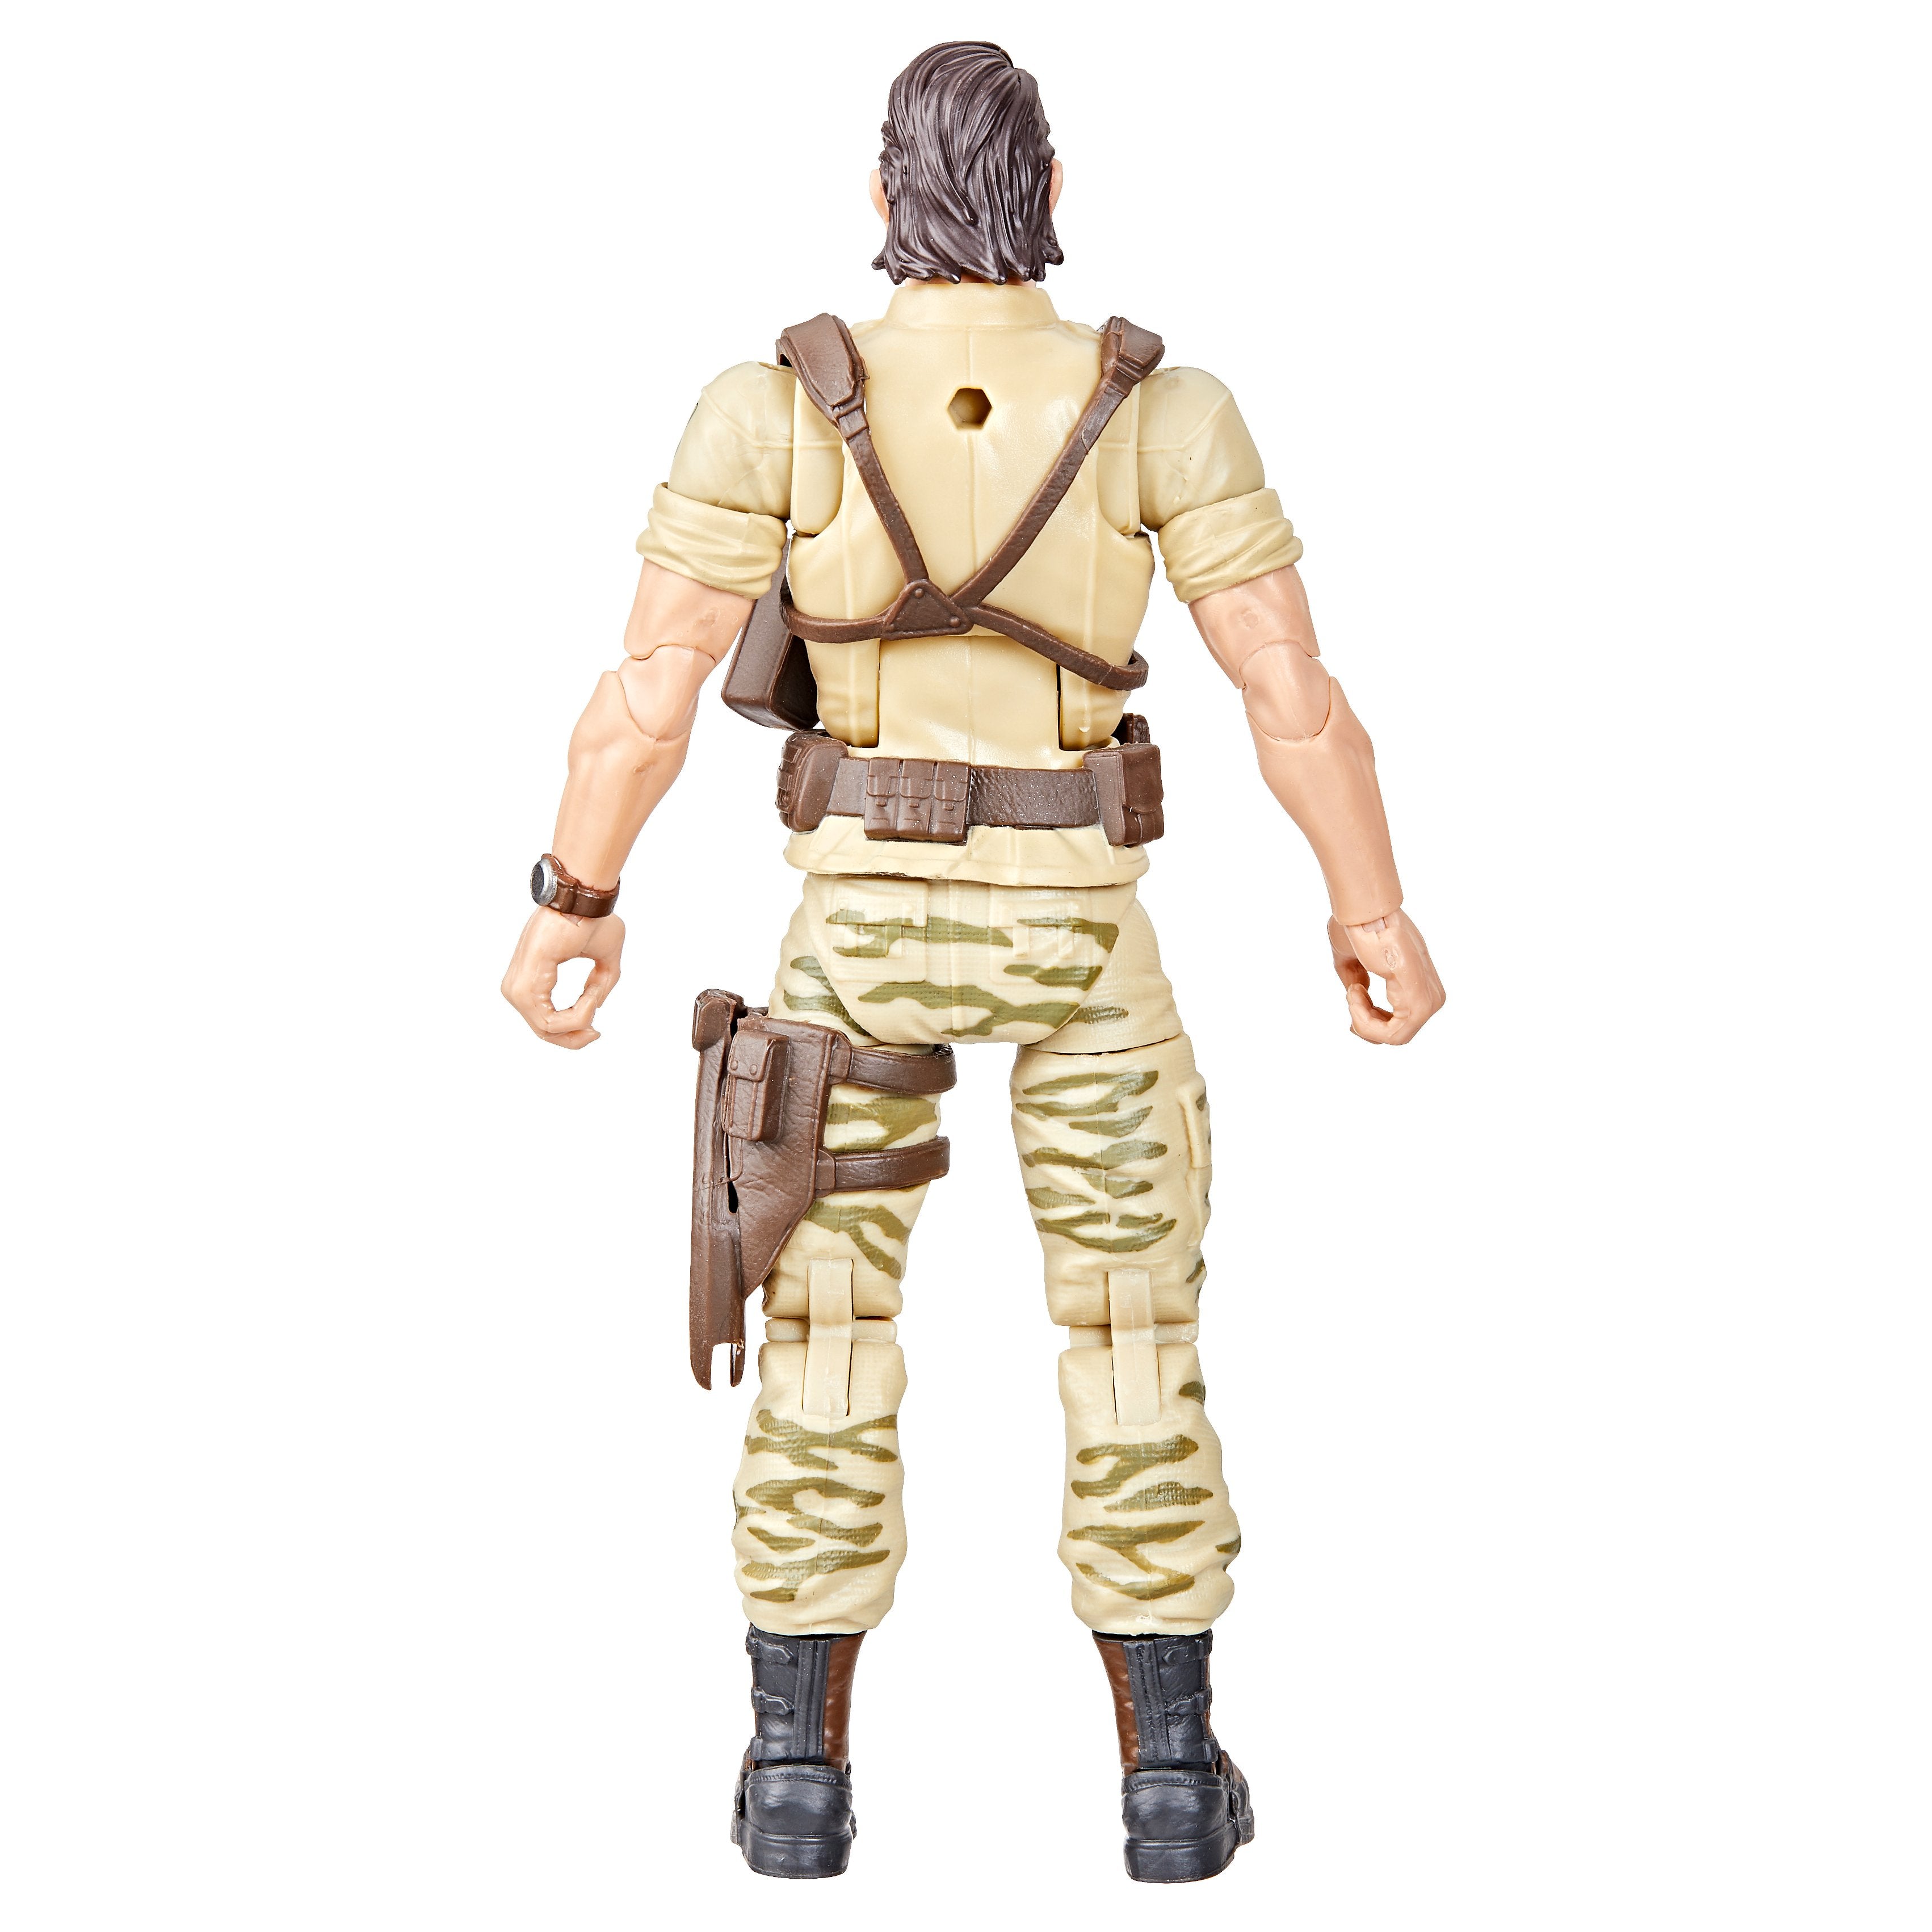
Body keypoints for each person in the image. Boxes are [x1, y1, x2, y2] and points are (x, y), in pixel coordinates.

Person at [502, 39, 1443, 1884]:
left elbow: (645, 694)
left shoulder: (769, 408)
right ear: (1053, 190)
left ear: (880, 196)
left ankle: (796, 1773)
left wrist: (573, 894)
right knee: (1135, 1325)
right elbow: (1290, 691)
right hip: (1080, 925)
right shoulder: (1163, 410)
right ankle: (1169, 1779)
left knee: (820, 1328)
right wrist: (1370, 909)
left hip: (857, 934)